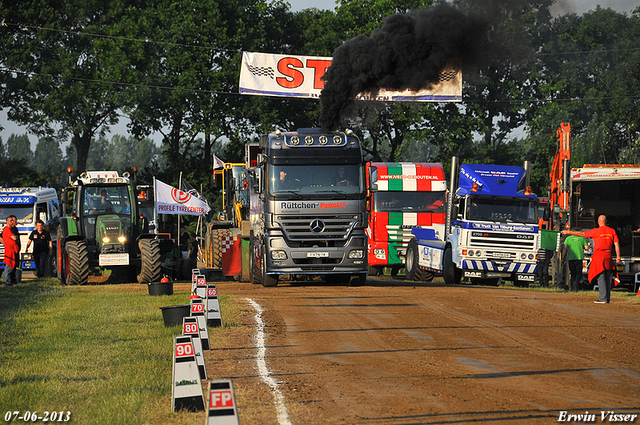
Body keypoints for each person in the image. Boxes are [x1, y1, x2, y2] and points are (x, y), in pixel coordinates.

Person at [562, 215, 621, 303]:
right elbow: (616, 244)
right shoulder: (612, 231)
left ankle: (602, 298)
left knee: (601, 277)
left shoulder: (596, 231)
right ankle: (607, 298)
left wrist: (569, 232)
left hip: (599, 255)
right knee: (608, 277)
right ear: (606, 221)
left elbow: (581, 234)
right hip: (609, 255)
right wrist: (618, 256)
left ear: (598, 222)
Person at [2, 215, 21, 286]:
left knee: (13, 266)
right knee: (9, 265)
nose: (12, 222)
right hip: (9, 250)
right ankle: (6, 281)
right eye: (10, 221)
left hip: (14, 249)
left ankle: (11, 280)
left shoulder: (12, 229)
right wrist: (14, 237)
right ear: (7, 222)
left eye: (12, 220)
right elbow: (14, 237)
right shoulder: (7, 229)